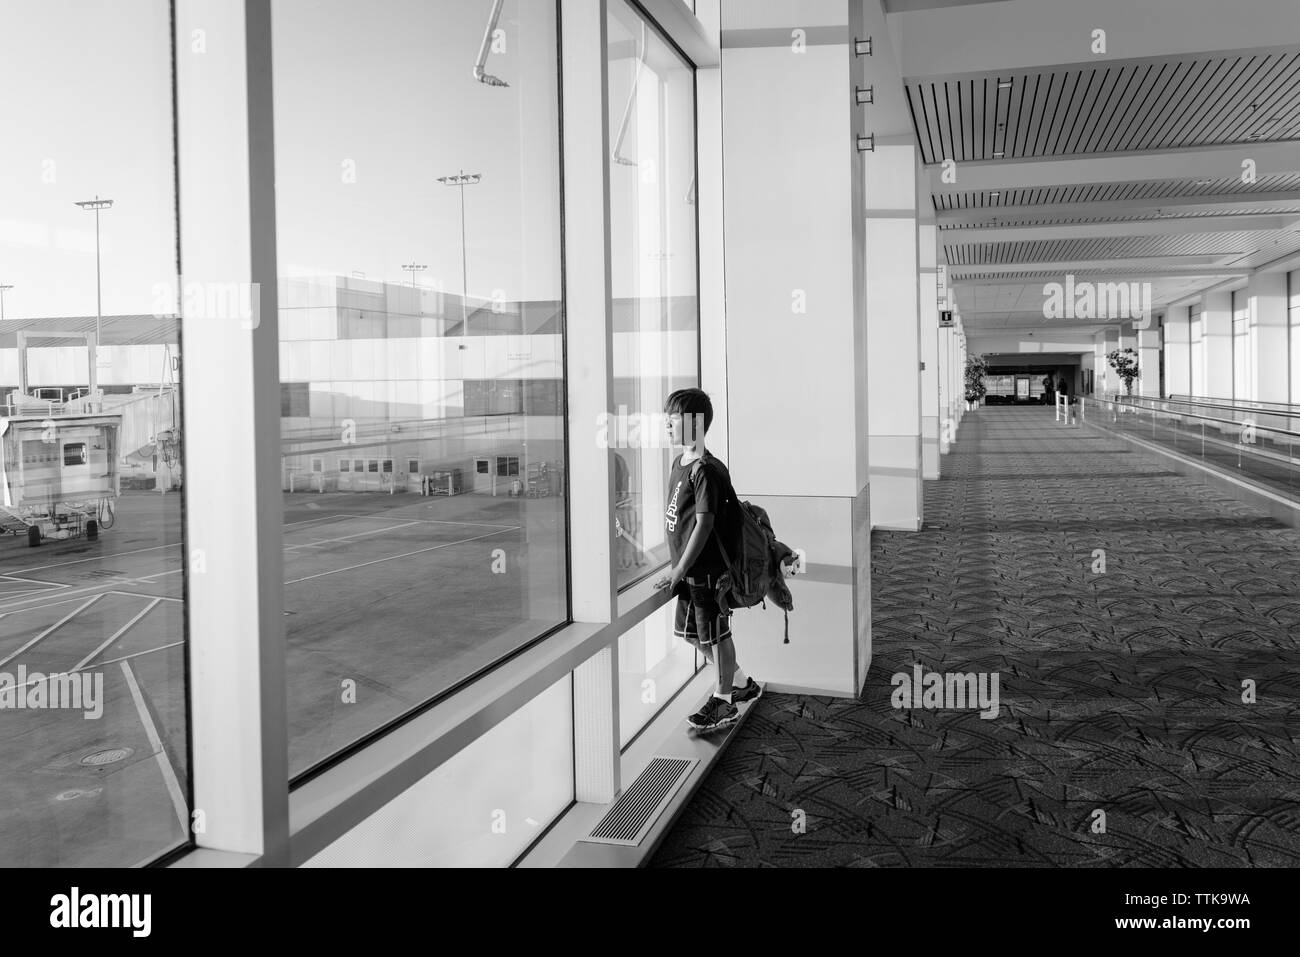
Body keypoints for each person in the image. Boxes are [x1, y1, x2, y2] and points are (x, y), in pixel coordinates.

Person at [653, 388, 762, 733]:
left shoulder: (706, 470)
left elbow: (705, 522)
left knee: (716, 635)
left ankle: (724, 700)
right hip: (689, 573)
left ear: (695, 424)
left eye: (674, 418)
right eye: (667, 417)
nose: (667, 424)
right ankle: (741, 683)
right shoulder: (680, 463)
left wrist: (681, 568)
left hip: (707, 573)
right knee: (693, 635)